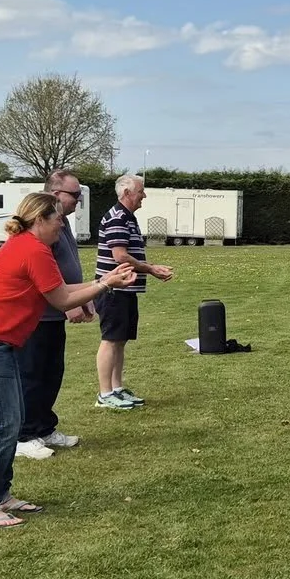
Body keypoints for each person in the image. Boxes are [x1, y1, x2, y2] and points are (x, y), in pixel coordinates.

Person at [0, 193, 138, 526]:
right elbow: (62, 300)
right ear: (39, 219)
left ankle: (0, 494)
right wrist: (105, 284)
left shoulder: (28, 245)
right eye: (57, 219)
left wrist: (103, 283)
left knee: (11, 421)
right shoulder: (33, 249)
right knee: (4, 424)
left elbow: (60, 289)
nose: (62, 225)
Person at [14, 169, 94, 460]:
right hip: (37, 315)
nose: (78, 199)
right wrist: (68, 302)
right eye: (74, 194)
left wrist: (84, 298)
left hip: (54, 314)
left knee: (52, 373)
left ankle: (44, 428)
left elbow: (67, 265)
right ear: (55, 193)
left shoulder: (61, 222)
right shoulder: (40, 228)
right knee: (32, 375)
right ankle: (23, 436)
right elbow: (43, 271)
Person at [93, 175, 172, 409]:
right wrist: (151, 269)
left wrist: (148, 269)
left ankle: (116, 388)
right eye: (140, 191)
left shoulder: (128, 217)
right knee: (110, 340)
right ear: (127, 193)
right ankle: (105, 393)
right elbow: (120, 256)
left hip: (125, 290)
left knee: (120, 340)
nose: (143, 195)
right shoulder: (118, 218)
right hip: (113, 290)